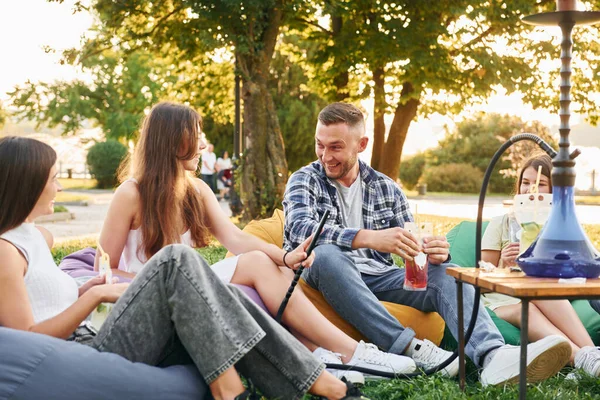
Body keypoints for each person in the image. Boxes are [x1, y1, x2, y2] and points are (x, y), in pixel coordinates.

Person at [0, 136, 370, 400]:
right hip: (84, 348)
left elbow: (47, 295)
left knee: (215, 293)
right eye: (52, 179)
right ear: (27, 185)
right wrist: (94, 294)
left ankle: (306, 382)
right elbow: (30, 338)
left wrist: (82, 289)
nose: (60, 187)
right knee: (176, 259)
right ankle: (270, 386)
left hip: (93, 332)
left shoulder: (32, 234)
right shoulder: (6, 252)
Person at [96, 101, 415, 383]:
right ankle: (353, 353)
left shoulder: (197, 190)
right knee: (261, 264)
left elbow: (234, 238)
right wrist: (146, 282)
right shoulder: (131, 194)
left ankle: (326, 355)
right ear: (173, 140)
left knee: (266, 262)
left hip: (193, 283)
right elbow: (105, 268)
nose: (204, 144)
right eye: (196, 135)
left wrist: (286, 257)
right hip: (147, 295)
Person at [283, 102, 573, 386]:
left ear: (361, 145)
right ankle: (411, 348)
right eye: (320, 145)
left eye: (335, 147)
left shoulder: (386, 187)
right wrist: (369, 238)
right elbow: (299, 230)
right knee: (328, 254)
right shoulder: (305, 179)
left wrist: (435, 253)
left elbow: (414, 246)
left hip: (379, 277)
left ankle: (493, 356)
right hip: (325, 273)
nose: (325, 156)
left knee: (448, 272)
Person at [481, 153, 600, 376]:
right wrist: (504, 267)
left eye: (539, 183)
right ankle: (588, 360)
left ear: (553, 190)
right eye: (525, 182)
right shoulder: (501, 223)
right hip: (503, 300)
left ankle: (590, 358)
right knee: (530, 305)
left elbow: (582, 265)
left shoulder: (561, 228)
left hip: (548, 295)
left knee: (537, 290)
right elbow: (480, 281)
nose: (530, 189)